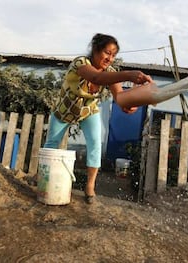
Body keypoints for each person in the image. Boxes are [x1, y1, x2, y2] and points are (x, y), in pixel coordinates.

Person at [44, 33, 153, 204]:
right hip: (64, 110)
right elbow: (96, 78)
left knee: (95, 144)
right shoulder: (80, 63)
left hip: (88, 111)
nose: (110, 58)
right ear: (95, 49)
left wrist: (130, 104)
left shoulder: (110, 72)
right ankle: (43, 179)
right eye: (107, 53)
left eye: (113, 55)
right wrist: (129, 74)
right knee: (52, 143)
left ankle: (90, 187)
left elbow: (120, 98)